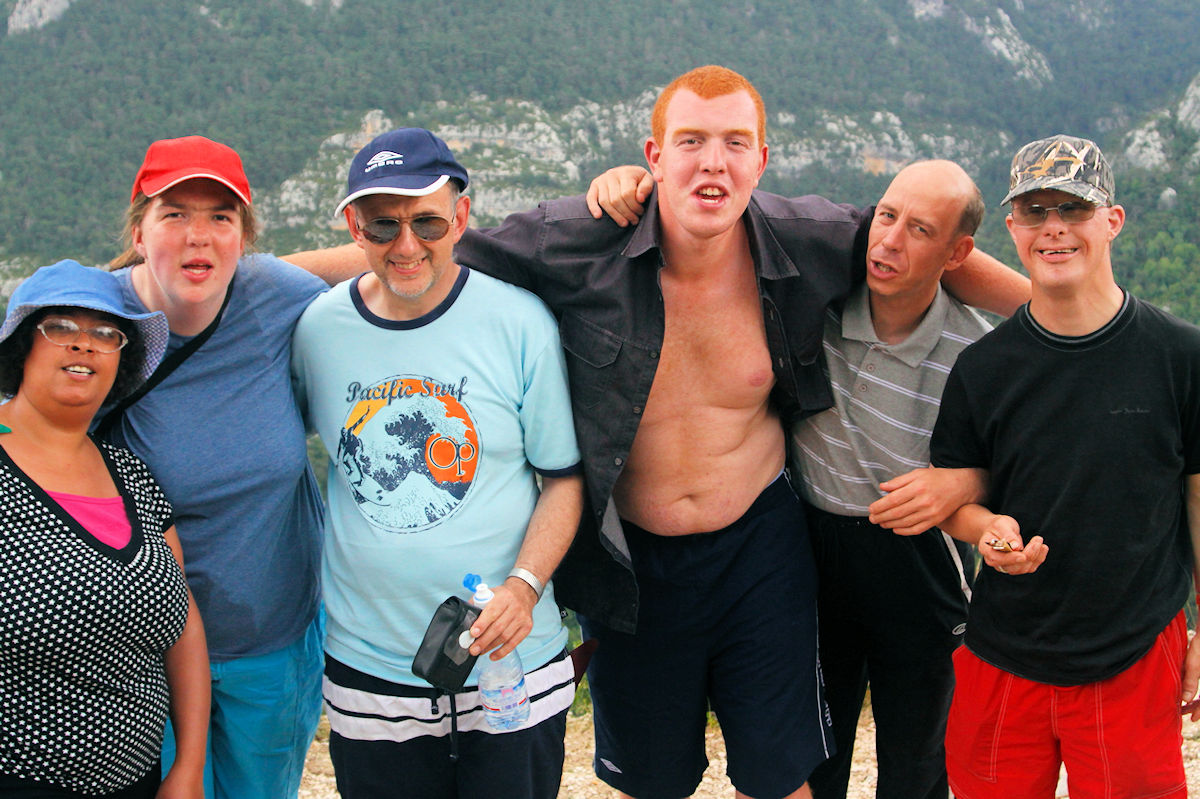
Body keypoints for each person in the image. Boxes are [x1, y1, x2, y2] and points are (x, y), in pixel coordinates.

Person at [286, 65, 1028, 799]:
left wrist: (1061, 306)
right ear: (654, 156)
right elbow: (420, 244)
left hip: (760, 549)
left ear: (762, 161)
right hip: (633, 562)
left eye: (736, 142)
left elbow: (936, 246)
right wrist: (250, 279)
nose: (713, 160)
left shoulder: (810, 239)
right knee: (653, 778)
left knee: (782, 774)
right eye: (691, 141)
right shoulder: (578, 241)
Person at [290, 128, 584, 799]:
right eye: (383, 224)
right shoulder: (318, 330)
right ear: (353, 226)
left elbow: (562, 478)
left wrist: (525, 585)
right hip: (371, 669)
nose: (406, 244)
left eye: (426, 220)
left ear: (461, 217)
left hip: (510, 664)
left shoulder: (519, 323)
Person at [930, 135, 1200, 798]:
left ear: (1112, 220)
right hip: (1003, 652)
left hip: (1132, 650)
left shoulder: (1178, 355)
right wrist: (986, 530)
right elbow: (959, 495)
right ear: (1014, 228)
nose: (1054, 227)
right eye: (1035, 209)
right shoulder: (984, 369)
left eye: (1074, 209)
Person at [103, 136, 328, 799]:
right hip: (144, 652)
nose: (198, 236)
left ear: (244, 239)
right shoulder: (93, 321)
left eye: (220, 218)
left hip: (274, 641)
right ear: (140, 230)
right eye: (175, 214)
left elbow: (389, 262)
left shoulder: (277, 293)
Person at [789, 161, 1001, 799]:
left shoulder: (978, 354)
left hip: (920, 559)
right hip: (812, 551)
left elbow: (1014, 465)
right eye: (885, 216)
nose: (889, 241)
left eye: (919, 230)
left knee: (917, 763)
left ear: (957, 253)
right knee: (816, 757)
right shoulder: (814, 305)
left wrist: (963, 485)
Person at [0, 260, 209, 798]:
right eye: (61, 327)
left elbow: (184, 627)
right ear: (24, 346)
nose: (84, 344)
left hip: (137, 781)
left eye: (105, 334)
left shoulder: (132, 476)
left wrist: (187, 765)